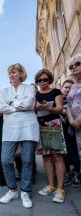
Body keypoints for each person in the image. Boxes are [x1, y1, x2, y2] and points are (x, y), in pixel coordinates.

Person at [0, 63, 39, 208]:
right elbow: (1, 107)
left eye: (14, 72)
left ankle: (25, 192)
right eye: (10, 73)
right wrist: (17, 106)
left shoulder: (30, 88)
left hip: (28, 127)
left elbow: (29, 104)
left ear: (21, 73)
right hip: (9, 129)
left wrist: (11, 105)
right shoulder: (4, 91)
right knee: (5, 160)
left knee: (27, 160)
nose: (11, 75)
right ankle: (12, 190)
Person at [35, 69, 66, 203]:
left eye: (45, 80)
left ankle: (60, 189)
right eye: (39, 80)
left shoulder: (56, 92)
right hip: (40, 126)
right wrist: (36, 107)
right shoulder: (35, 94)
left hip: (54, 124)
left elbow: (60, 109)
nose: (42, 82)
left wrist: (46, 108)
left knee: (57, 156)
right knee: (46, 157)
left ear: (50, 80)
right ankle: (51, 186)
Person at [61, 80, 81, 187]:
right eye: (66, 87)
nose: (68, 90)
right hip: (61, 130)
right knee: (64, 153)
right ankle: (67, 173)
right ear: (61, 88)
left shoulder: (74, 99)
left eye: (70, 88)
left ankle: (77, 174)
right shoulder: (58, 99)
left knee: (74, 152)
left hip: (73, 129)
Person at [67, 53, 81, 187]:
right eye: (71, 66)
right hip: (76, 126)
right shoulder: (73, 85)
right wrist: (72, 121)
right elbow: (68, 105)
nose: (73, 68)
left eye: (77, 64)